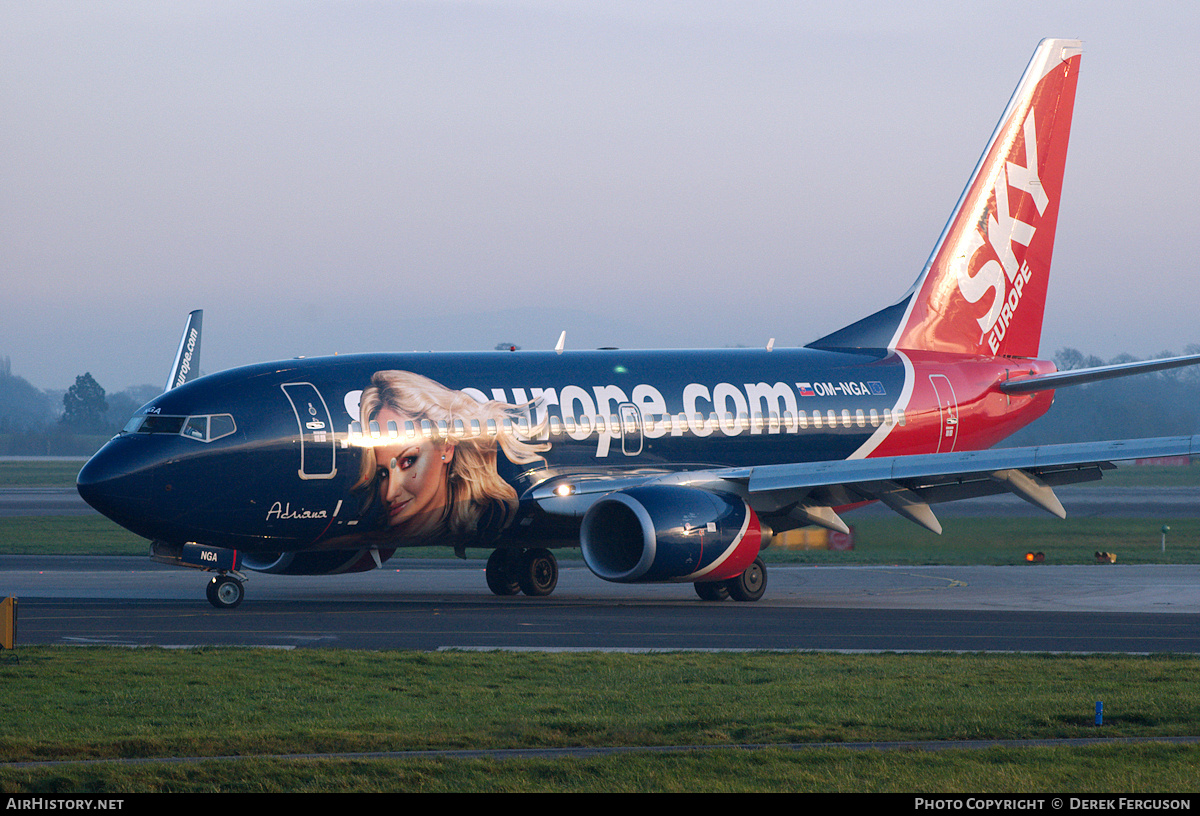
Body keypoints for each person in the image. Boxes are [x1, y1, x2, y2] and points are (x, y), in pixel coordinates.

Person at [352, 370, 548, 542]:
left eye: (408, 461)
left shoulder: (494, 511)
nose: (390, 493)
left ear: (446, 447)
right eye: (383, 474)